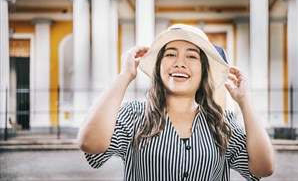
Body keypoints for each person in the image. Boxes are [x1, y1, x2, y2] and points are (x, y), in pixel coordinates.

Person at [77, 24, 275, 180]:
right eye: (170, 54)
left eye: (191, 56)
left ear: (204, 71)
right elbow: (90, 143)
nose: (180, 62)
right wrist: (124, 76)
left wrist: (245, 100)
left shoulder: (223, 123)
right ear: (158, 66)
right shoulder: (134, 115)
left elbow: (264, 168)